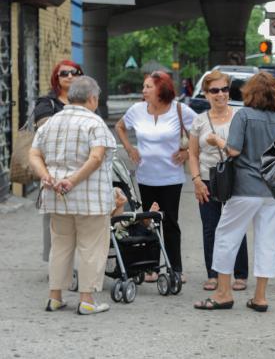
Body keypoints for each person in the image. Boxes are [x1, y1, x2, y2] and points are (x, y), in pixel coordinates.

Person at [194, 72, 275, 312]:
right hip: (273, 191)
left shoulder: (244, 115)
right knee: (268, 242)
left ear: (250, 92)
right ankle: (260, 297)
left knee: (226, 237)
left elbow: (234, 150)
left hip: (245, 187)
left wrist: (217, 141)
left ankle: (223, 293)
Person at [29, 76, 116, 315]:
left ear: (70, 97)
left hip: (55, 196)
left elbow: (34, 154)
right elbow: (96, 157)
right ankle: (87, 300)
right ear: (92, 99)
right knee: (91, 247)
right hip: (91, 200)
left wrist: (45, 175)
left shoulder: (50, 123)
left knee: (60, 246)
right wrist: (73, 180)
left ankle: (55, 297)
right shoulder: (95, 124)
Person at [115, 71, 196, 282]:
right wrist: (129, 148)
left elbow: (200, 133)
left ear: (162, 89)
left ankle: (174, 268)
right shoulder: (137, 110)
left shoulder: (180, 110)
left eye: (148, 87)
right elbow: (120, 127)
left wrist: (188, 153)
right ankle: (150, 268)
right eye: (144, 87)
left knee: (170, 223)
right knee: (147, 222)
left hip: (171, 178)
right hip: (145, 176)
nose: (143, 91)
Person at [188, 71, 249, 293]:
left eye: (224, 89)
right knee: (210, 228)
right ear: (205, 94)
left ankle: (240, 274)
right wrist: (196, 180)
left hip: (236, 178)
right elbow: (192, 154)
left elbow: (244, 151)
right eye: (214, 90)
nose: (221, 94)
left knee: (236, 227)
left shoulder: (240, 116)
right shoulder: (199, 121)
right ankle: (213, 274)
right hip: (207, 178)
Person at [33, 60, 84, 263]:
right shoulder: (46, 102)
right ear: (57, 78)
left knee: (83, 215)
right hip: (54, 167)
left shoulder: (87, 100)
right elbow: (46, 131)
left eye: (75, 72)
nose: (70, 76)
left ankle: (81, 261)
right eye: (64, 73)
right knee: (55, 217)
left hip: (84, 167)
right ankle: (57, 262)